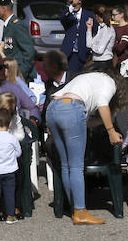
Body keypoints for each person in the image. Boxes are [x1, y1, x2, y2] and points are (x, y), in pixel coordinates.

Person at [46, 69, 124, 225]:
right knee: (76, 166)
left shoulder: (86, 79)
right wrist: (111, 131)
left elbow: (84, 122)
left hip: (53, 108)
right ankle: (81, 212)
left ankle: (73, 207)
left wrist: (102, 122)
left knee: (66, 165)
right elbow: (102, 104)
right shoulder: (109, 83)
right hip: (72, 109)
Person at [0, 104, 23, 224]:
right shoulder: (12, 138)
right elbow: (18, 153)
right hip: (10, 170)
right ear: (10, 123)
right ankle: (10, 216)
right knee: (9, 193)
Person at [0, 0, 36, 80]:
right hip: (11, 74)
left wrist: (20, 73)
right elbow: (10, 49)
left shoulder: (16, 25)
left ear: (4, 9)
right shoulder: (9, 25)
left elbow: (29, 52)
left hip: (18, 76)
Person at [60, 0, 92, 73]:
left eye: (74, 2)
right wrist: (68, 10)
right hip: (69, 52)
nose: (73, 5)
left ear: (80, 1)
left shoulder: (88, 14)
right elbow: (62, 18)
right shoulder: (68, 15)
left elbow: (95, 31)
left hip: (83, 51)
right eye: (71, 2)